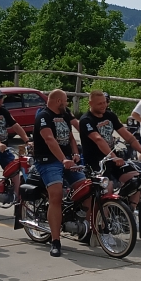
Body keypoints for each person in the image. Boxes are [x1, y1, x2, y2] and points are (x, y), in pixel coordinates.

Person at [33, 89, 84, 257]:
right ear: (58, 101)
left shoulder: (65, 114)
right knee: (56, 195)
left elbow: (71, 137)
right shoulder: (43, 116)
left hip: (67, 159)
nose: (67, 103)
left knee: (86, 188)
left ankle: (87, 229)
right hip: (48, 161)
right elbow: (49, 139)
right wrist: (63, 160)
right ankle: (55, 241)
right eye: (65, 100)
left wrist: (75, 153)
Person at [79, 90, 141, 183]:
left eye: (104, 102)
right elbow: (98, 140)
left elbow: (128, 136)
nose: (103, 105)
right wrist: (114, 157)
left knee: (136, 179)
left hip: (112, 157)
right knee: (108, 186)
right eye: (100, 103)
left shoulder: (109, 115)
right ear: (91, 103)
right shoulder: (86, 120)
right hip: (96, 161)